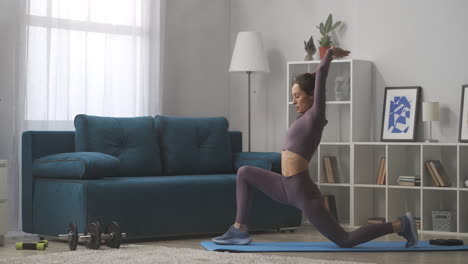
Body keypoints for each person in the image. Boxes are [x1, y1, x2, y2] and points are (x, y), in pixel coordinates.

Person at [212, 47, 418, 248]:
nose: (294, 101)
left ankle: (400, 224)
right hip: (285, 186)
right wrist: (309, 77)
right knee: (244, 172)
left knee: (344, 240)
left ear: (312, 96)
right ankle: (239, 229)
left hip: (303, 192)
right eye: (293, 96)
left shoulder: (316, 116)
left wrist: (328, 54)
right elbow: (314, 78)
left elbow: (321, 73)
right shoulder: (303, 117)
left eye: (298, 96)